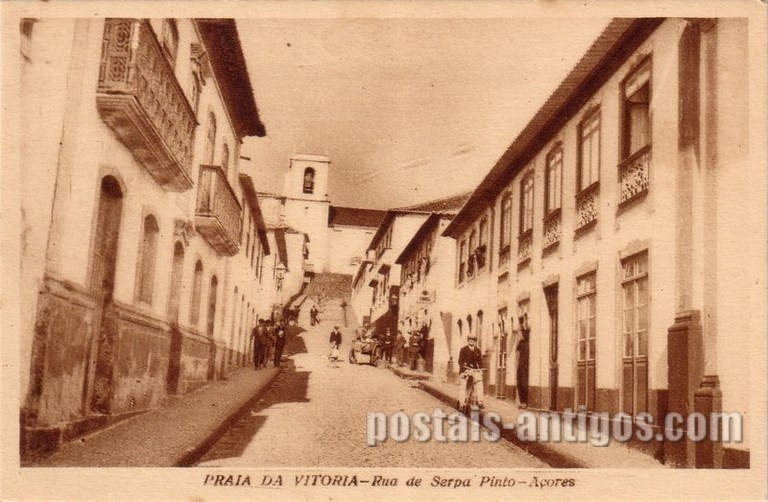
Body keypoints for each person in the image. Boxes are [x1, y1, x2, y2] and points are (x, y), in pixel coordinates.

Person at [458, 334, 484, 409]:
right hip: (465, 370)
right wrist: (465, 369)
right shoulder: (463, 349)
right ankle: (462, 403)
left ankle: (480, 401)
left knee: (479, 381)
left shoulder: (477, 350)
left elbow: (480, 361)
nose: (471, 341)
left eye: (473, 340)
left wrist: (481, 369)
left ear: (475, 341)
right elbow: (460, 361)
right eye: (470, 339)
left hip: (474, 370)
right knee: (463, 384)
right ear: (468, 340)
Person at [515, 313, 530, 408]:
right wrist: (517, 365)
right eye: (522, 332)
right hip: (521, 365)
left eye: (524, 332)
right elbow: (517, 353)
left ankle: (525, 402)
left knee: (524, 383)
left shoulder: (530, 342)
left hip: (527, 365)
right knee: (520, 382)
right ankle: (522, 401)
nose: (523, 334)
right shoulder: (521, 342)